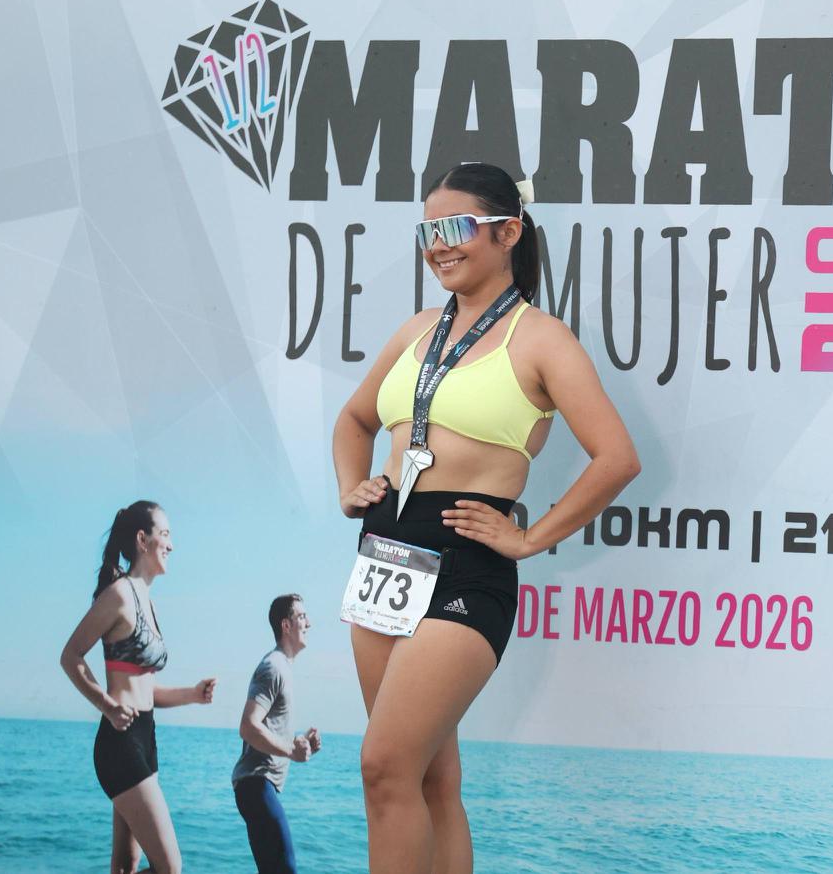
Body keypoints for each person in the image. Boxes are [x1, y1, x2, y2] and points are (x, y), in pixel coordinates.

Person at [332, 162, 641, 874]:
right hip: (384, 558)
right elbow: (354, 420)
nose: (438, 245)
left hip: (467, 566)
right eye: (428, 231)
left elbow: (617, 458)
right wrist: (352, 487)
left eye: (456, 227)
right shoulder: (417, 330)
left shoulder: (542, 339)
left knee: (384, 767)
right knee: (430, 780)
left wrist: (529, 539)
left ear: (508, 232)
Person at [60, 501, 217, 874]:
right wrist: (107, 705)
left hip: (145, 738)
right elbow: (70, 655)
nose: (171, 545)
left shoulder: (148, 600)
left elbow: (147, 691)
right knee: (169, 867)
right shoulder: (119, 595)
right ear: (142, 540)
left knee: (125, 865)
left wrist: (192, 695)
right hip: (120, 743)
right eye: (165, 534)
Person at [232, 594, 322, 874]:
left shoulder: (283, 667)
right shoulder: (273, 667)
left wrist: (302, 745)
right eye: (302, 617)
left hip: (259, 786)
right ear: (286, 625)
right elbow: (248, 726)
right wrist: (291, 751)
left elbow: (268, 730)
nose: (309, 623)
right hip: (256, 783)